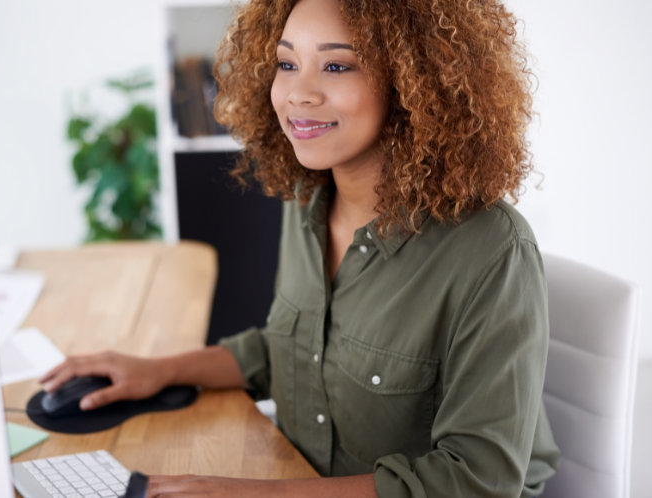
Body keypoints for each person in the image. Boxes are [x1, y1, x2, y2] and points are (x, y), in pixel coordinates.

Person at [40, 0, 561, 496]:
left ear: (414, 83)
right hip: (294, 472)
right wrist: (159, 370)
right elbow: (293, 349)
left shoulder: (492, 252)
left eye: (336, 67)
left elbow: (477, 483)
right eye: (286, 64)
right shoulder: (308, 198)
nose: (298, 94)